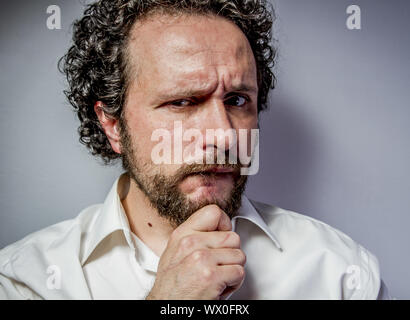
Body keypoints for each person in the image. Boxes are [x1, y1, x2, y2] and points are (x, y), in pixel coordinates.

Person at [0, 0, 390, 300]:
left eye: (237, 100)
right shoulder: (27, 280)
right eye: (183, 102)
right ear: (113, 124)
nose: (223, 136)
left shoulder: (341, 272)